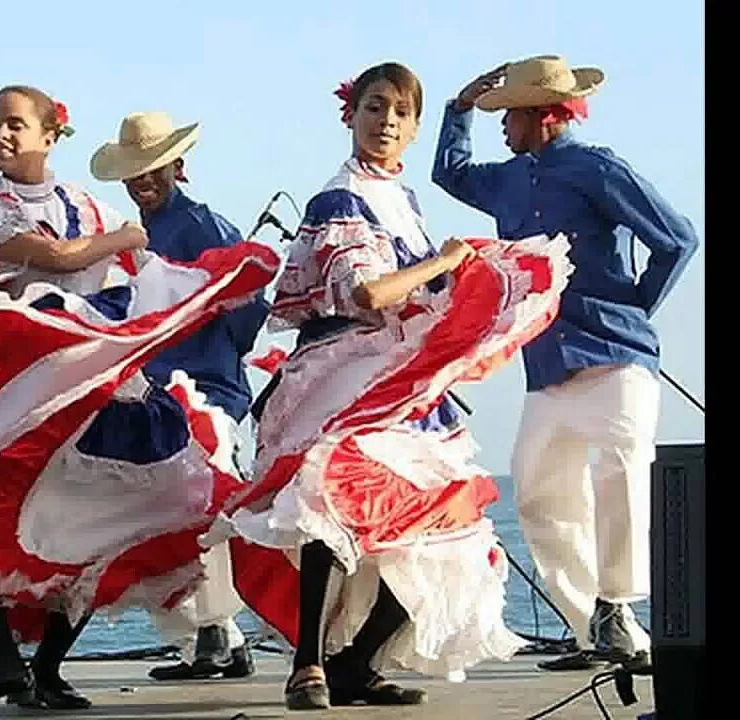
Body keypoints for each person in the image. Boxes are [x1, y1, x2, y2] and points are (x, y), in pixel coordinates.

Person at [0, 85, 278, 711]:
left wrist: (217, 282)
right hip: (7, 382)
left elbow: (145, 281)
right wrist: (123, 241)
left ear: (49, 136)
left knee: (90, 521)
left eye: (15, 124)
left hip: (88, 382)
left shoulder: (89, 205)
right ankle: (2, 659)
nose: (1, 134)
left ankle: (47, 668)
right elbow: (56, 259)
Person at [217, 61, 569, 710]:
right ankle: (309, 666)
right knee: (328, 497)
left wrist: (473, 284)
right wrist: (448, 263)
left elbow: (418, 292)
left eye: (400, 113)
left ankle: (352, 663)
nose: (386, 122)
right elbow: (367, 291)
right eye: (375, 108)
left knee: (442, 533)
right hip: (340, 375)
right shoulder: (338, 197)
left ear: (412, 131)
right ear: (350, 115)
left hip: (398, 382)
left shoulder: (400, 201)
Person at [431, 55, 700, 672]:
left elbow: (677, 237)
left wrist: (633, 305)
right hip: (548, 368)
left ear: (539, 115)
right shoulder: (509, 177)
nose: (502, 127)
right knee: (537, 494)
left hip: (616, 360)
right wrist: (459, 110)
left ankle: (619, 605)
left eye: (509, 116)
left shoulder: (596, 167)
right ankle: (595, 628)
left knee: (621, 476)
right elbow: (451, 171)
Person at [89, 111, 266, 681]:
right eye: (134, 171)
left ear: (177, 168)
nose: (143, 179)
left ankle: (214, 630)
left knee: (201, 502)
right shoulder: (131, 237)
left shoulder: (203, 225)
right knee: (163, 510)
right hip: (159, 390)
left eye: (152, 168)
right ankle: (217, 638)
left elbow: (250, 300)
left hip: (208, 389)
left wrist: (219, 353)